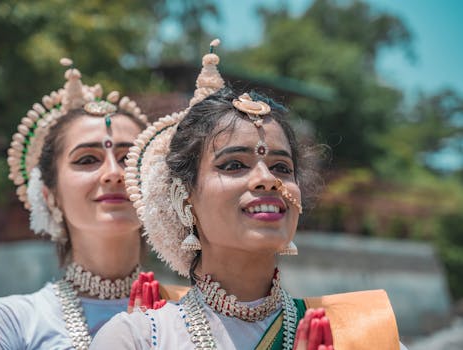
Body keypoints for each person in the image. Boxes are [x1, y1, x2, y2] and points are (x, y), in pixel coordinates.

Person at [90, 41, 407, 349]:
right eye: (234, 164)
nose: (267, 180)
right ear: (183, 197)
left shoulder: (358, 335)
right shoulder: (139, 338)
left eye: (282, 167)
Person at [0, 58, 185, 350]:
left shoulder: (192, 316)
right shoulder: (10, 323)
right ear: (49, 195)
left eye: (128, 159)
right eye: (87, 159)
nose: (114, 173)